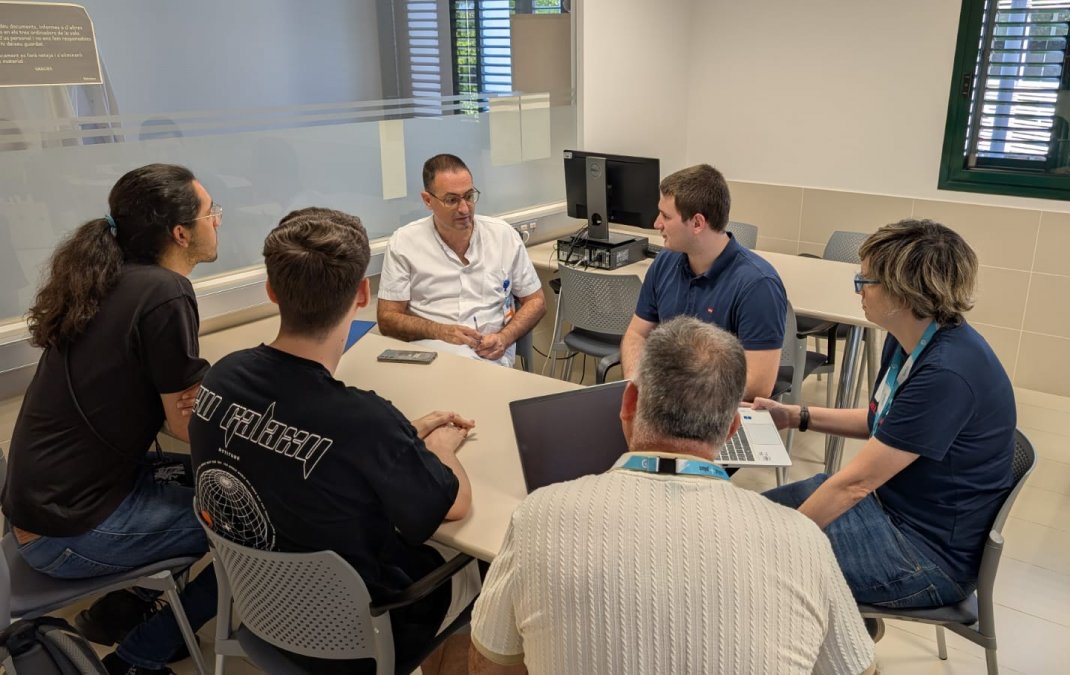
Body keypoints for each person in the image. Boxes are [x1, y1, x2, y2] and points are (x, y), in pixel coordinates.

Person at [469, 316, 876, 675]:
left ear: (629, 402)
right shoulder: (804, 542)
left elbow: (490, 663)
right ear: (733, 428)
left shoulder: (537, 517)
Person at [189, 207, 481, 673]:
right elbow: (455, 505)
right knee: (481, 568)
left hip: (262, 610)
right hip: (354, 639)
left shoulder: (221, 379)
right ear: (363, 293)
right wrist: (438, 448)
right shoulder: (363, 420)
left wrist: (400, 441)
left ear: (271, 291)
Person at [1, 163, 222, 675]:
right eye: (212, 214)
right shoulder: (165, 291)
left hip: (42, 510)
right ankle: (137, 657)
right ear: (181, 233)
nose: (218, 223)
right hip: (68, 533)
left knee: (206, 481)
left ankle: (121, 608)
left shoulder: (110, 278)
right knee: (249, 518)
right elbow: (188, 426)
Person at [755, 219, 1016, 613]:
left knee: (762, 558)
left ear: (903, 294)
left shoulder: (947, 372)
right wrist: (794, 415)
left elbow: (855, 485)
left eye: (865, 282)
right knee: (748, 518)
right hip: (889, 512)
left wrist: (787, 540)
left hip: (924, 557)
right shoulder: (913, 338)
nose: (858, 291)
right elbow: (883, 422)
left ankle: (838, 642)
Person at [620, 164, 788, 401]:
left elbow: (758, 385)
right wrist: (636, 383)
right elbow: (637, 334)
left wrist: (677, 392)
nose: (656, 223)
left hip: (719, 414)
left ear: (698, 223)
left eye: (666, 216)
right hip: (668, 403)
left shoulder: (758, 285)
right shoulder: (665, 262)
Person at [377, 154, 545, 367]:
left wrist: (505, 337)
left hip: (490, 355)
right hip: (431, 355)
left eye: (469, 196)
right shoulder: (405, 242)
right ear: (428, 200)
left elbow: (536, 301)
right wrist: (441, 331)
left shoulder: (502, 236)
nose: (464, 209)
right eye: (452, 200)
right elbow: (387, 318)